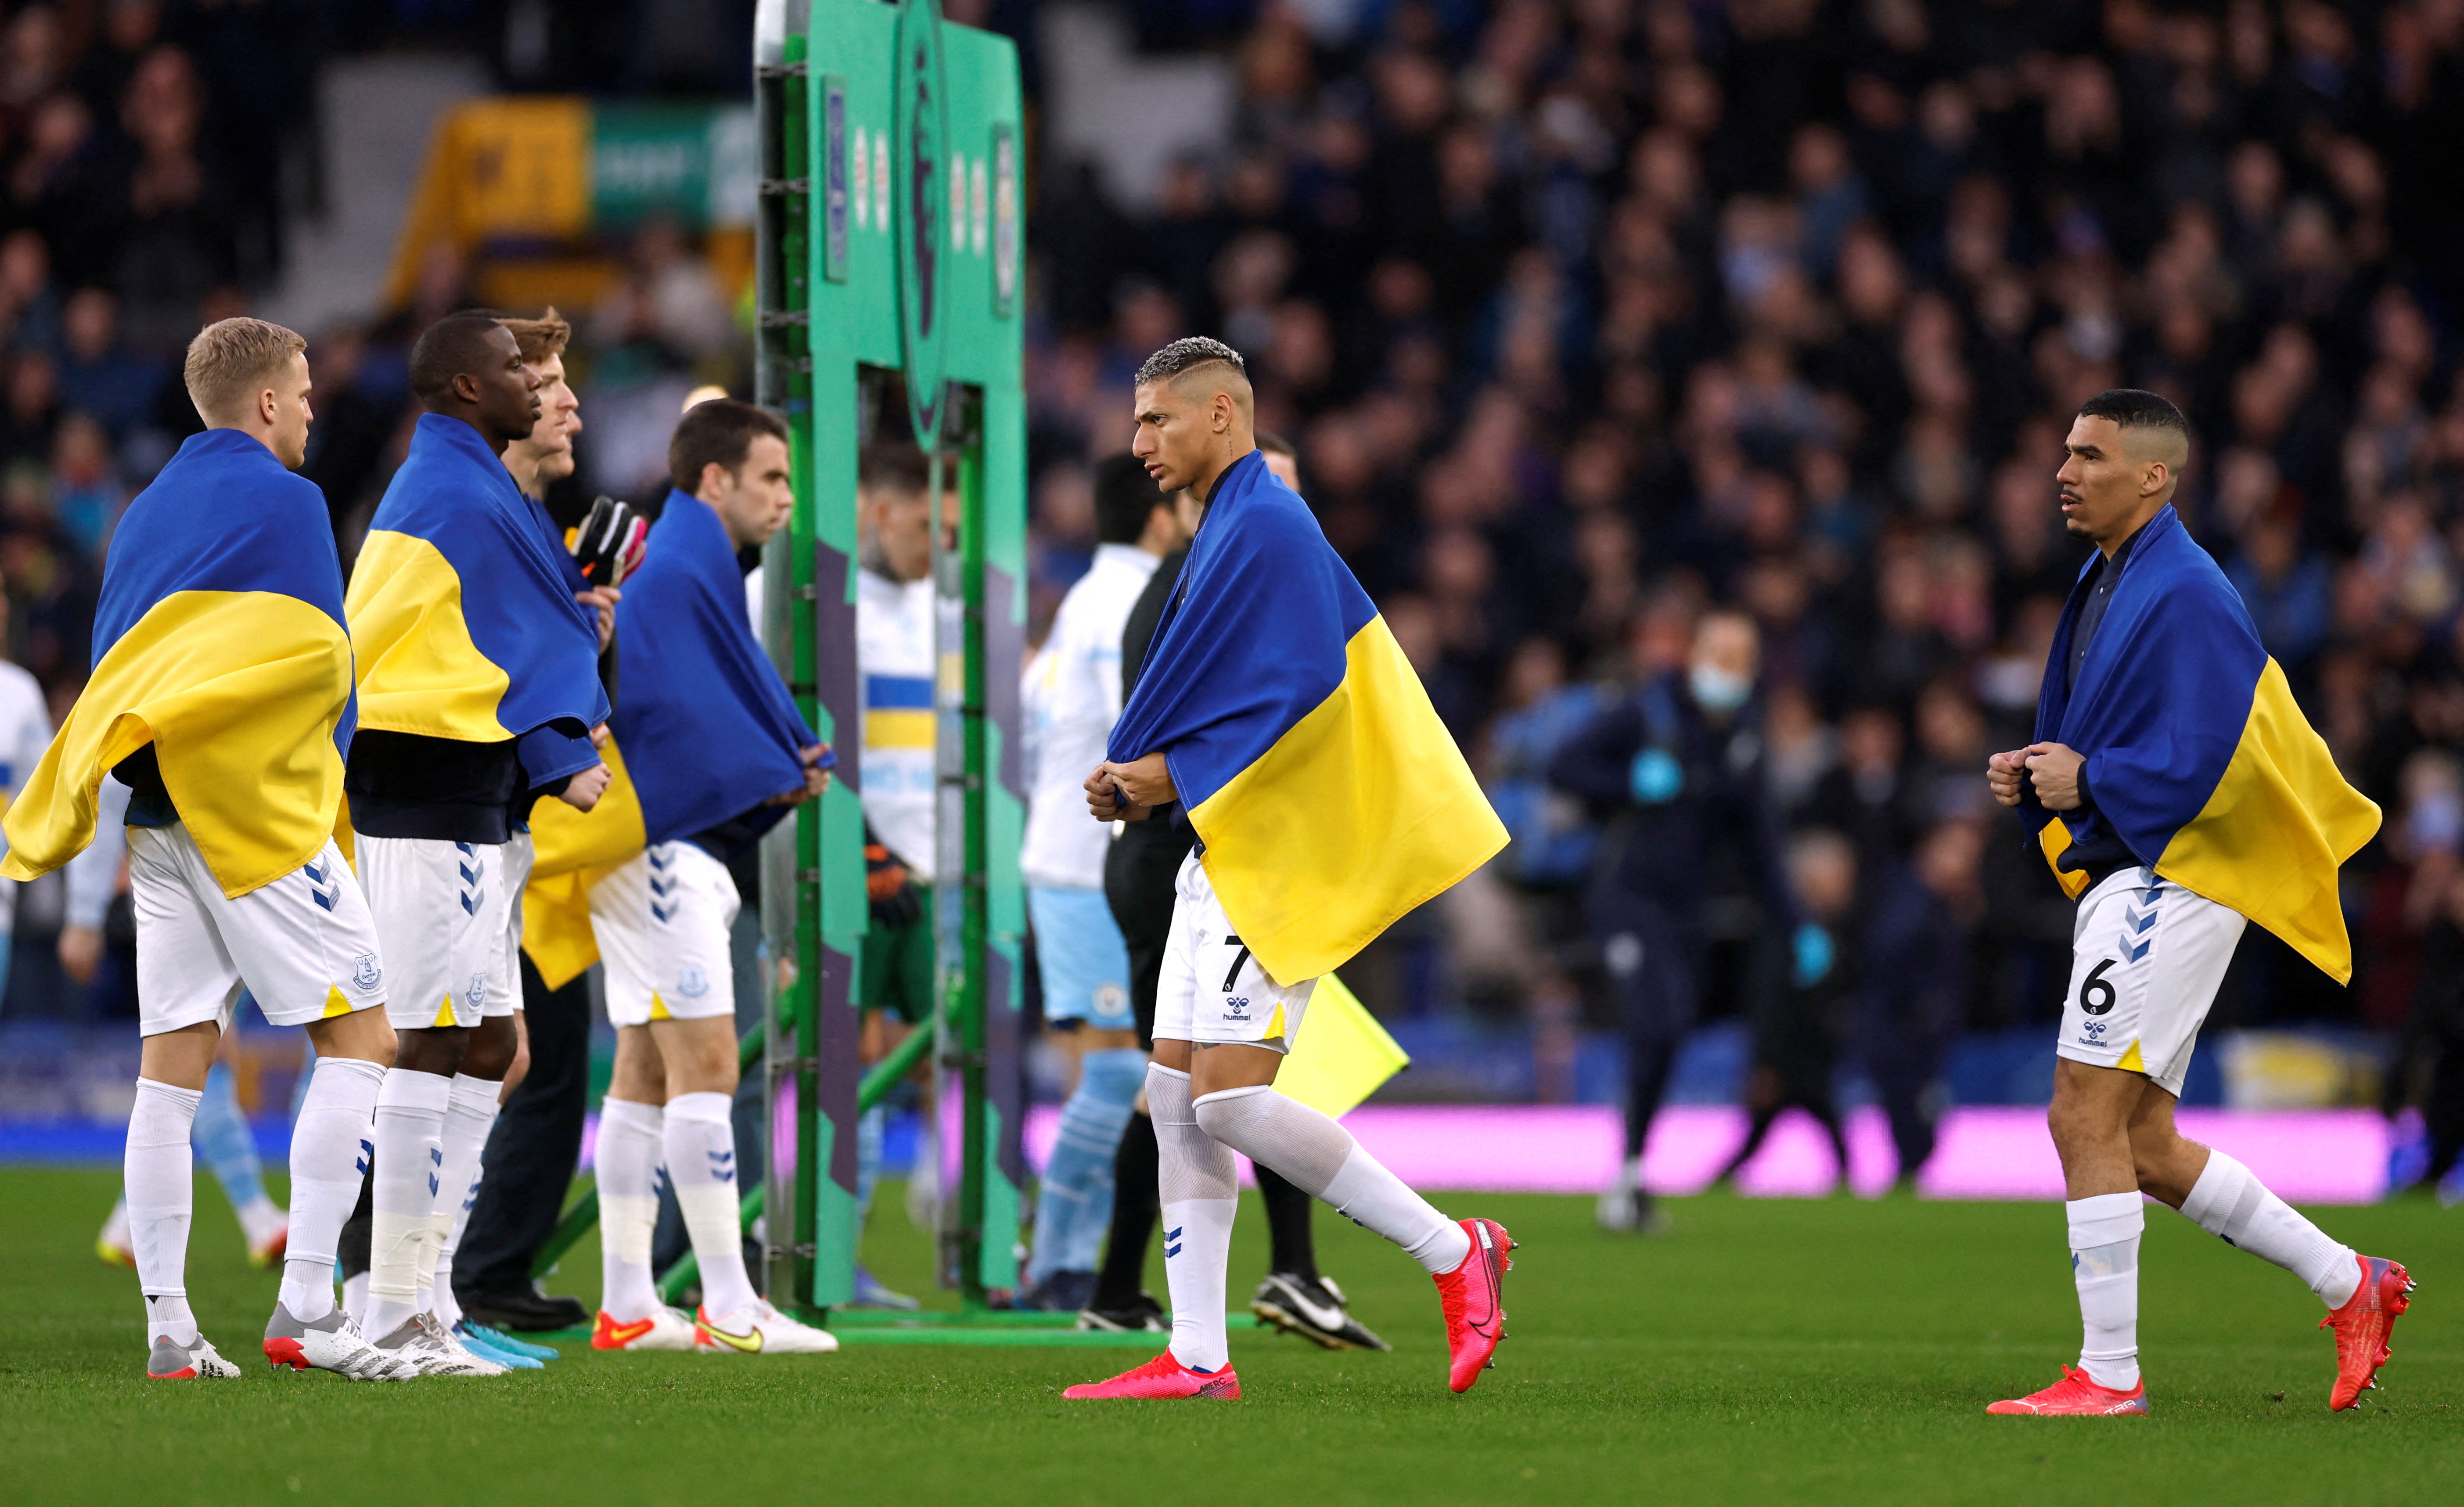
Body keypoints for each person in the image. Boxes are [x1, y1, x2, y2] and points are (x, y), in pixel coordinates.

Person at [1064, 338, 1511, 1401]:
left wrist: (1160, 776)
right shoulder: (1232, 519)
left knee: (1223, 1105)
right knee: (1172, 1098)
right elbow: (1248, 693)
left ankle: (1453, 1250)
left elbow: (1299, 693)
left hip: (1276, 850)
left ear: (1223, 416)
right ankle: (1197, 1355)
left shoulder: (1262, 523)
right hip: (1227, 848)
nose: (1137, 445)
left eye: (1155, 421)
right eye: (1134, 423)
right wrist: (1151, 779)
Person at [1983, 389, 2402, 1417]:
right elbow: (2129, 726)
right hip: (2148, 865)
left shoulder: (2185, 591)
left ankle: (2108, 1374)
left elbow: (2213, 754)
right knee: (2139, 1143)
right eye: (2063, 452)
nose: (2063, 471)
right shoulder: (2120, 574)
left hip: (2171, 871)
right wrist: (2048, 767)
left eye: (2087, 455)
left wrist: (2086, 780)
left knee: (2075, 1108)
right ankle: (2351, 1282)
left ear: (2151, 475)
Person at [1, 317, 406, 1381]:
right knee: (364, 1037)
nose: (315, 407)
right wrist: (331, 797)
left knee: (169, 1074)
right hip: (254, 815)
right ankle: (311, 1305)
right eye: (306, 391)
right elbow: (320, 663)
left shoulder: (141, 514)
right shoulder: (293, 503)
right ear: (266, 401)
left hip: (157, 821)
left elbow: (122, 664)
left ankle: (171, 1330)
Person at [529, 398, 837, 1355]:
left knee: (647, 1067)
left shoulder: (687, 561)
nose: (787, 498)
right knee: (707, 1062)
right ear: (715, 481)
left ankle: (627, 1303)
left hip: (647, 848)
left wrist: (778, 752)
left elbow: (696, 692)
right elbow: (664, 717)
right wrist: (771, 765)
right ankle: (730, 1305)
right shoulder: (679, 565)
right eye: (772, 478)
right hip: (664, 845)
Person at [341, 310, 613, 1377]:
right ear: (465, 387)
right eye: (519, 371)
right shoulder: (453, 489)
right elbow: (470, 636)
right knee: (434, 1039)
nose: (543, 391)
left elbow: (505, 627)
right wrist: (557, 746)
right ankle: (384, 1306)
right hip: (427, 790)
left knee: (489, 1044)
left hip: (470, 792)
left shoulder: (472, 485)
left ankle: (424, 1299)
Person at [1083, 437, 1390, 1352]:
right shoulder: (1193, 587)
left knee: (1189, 1089)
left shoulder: (1226, 581)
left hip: (1211, 862)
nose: (1284, 518)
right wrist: (1145, 785)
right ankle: (1417, 1251)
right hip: (1201, 864)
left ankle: (1184, 1311)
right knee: (1216, 1091)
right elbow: (1210, 732)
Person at [1547, 606, 1799, 1236]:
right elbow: (1563, 767)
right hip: (1627, 899)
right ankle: (1627, 1174)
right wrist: (1627, 784)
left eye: (1739, 661)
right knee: (1657, 1019)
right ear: (1695, 656)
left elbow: (1760, 845)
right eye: (1719, 657)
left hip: (1688, 912)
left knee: (1671, 1028)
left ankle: (1630, 1173)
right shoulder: (1647, 714)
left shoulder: (1743, 738)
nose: (1727, 672)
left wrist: (1796, 923)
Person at [449, 307, 602, 1340]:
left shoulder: (520, 518)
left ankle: (428, 1272)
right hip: (470, 824)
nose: (572, 405)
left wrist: (583, 622)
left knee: (498, 1056)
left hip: (513, 832)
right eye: (551, 386)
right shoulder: (479, 507)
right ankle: (438, 1274)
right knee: (485, 1057)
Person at [1015, 452, 1188, 1313]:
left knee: (1109, 1077)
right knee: (1122, 1078)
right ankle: (1054, 1262)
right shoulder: (1132, 600)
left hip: (1070, 859)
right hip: (1087, 866)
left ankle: (1065, 1261)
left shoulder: (1086, 595)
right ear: (1162, 517)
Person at [849, 440, 944, 1308]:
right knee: (860, 1056)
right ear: (878, 512)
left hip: (937, 867)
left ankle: (945, 1195)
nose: (936, 543)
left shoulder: (941, 612)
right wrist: (862, 848)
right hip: (864, 866)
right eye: (925, 525)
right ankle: (835, 1253)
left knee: (940, 1045)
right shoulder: (833, 608)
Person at [1713, 828, 1853, 1190]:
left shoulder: (1820, 929)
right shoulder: (1787, 933)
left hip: (1806, 1058)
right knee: (1816, 1133)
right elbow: (1768, 1000)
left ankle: (1718, 1185)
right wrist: (1765, 1063)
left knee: (1764, 1136)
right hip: (1789, 1061)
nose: (1843, 886)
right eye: (1836, 877)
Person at [1858, 815, 1985, 1188]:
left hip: (1920, 1034)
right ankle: (1901, 1180)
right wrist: (1923, 1003)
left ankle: (1904, 1181)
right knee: (1911, 1122)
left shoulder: (1942, 904)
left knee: (1919, 1123)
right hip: (1898, 1032)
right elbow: (1887, 953)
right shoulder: (1912, 900)